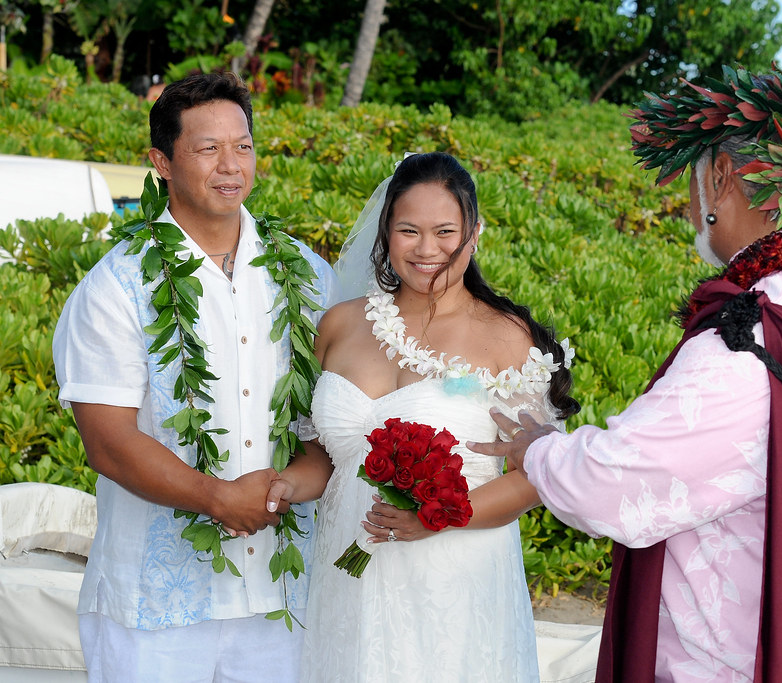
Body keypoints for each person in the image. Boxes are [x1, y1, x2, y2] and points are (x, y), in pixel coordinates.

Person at [471, 57, 782, 682]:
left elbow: (612, 487)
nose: (687, 203)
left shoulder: (746, 344)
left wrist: (537, 449)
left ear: (724, 176)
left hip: (746, 654)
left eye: (693, 182)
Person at [52, 72, 337, 681]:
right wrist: (217, 497)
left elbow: (329, 421)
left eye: (244, 146)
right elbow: (108, 442)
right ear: (162, 162)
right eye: (208, 149)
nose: (231, 165)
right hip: (155, 603)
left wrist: (294, 482)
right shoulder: (117, 286)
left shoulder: (308, 276)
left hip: (284, 595)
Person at [266, 151, 579, 682]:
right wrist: (283, 486)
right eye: (409, 230)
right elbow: (323, 455)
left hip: (455, 581)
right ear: (386, 231)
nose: (427, 250)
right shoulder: (341, 325)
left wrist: (435, 517)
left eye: (445, 231)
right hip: (350, 573)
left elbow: (532, 478)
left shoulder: (506, 337)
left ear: (474, 233)